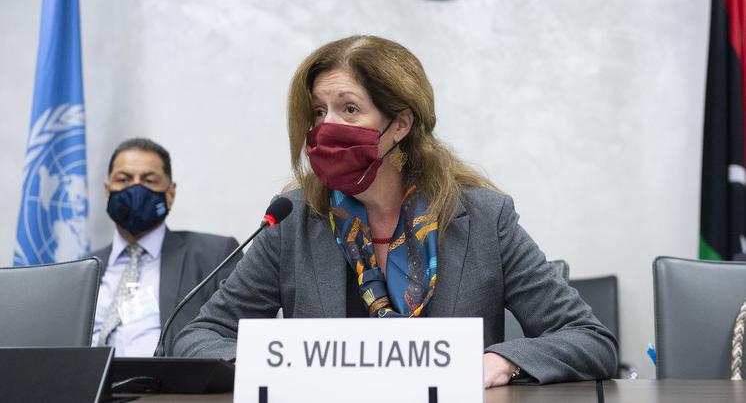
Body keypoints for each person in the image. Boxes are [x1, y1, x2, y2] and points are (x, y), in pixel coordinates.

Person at [173, 36, 617, 386]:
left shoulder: (484, 217)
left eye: (349, 109)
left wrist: (502, 361)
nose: (327, 127)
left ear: (400, 124)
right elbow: (197, 337)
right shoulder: (295, 219)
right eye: (319, 111)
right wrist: (264, 366)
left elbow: (590, 340)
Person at [90, 137, 241, 356]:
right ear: (107, 191)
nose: (135, 188)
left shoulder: (215, 256)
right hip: (90, 378)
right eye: (123, 179)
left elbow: (241, 335)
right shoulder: (83, 269)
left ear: (170, 194)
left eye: (149, 180)